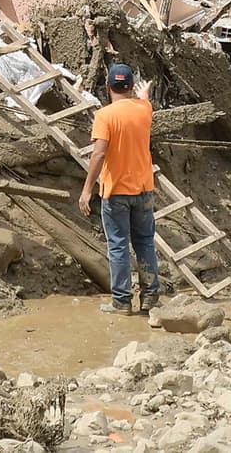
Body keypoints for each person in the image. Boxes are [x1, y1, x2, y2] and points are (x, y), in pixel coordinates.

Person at [77, 64, 160, 314]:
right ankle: (150, 298)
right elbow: (143, 100)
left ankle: (122, 301)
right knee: (145, 241)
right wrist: (144, 92)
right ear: (130, 87)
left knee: (118, 245)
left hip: (116, 192)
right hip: (144, 189)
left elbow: (99, 152)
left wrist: (87, 189)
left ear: (108, 86)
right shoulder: (144, 109)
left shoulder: (105, 116)